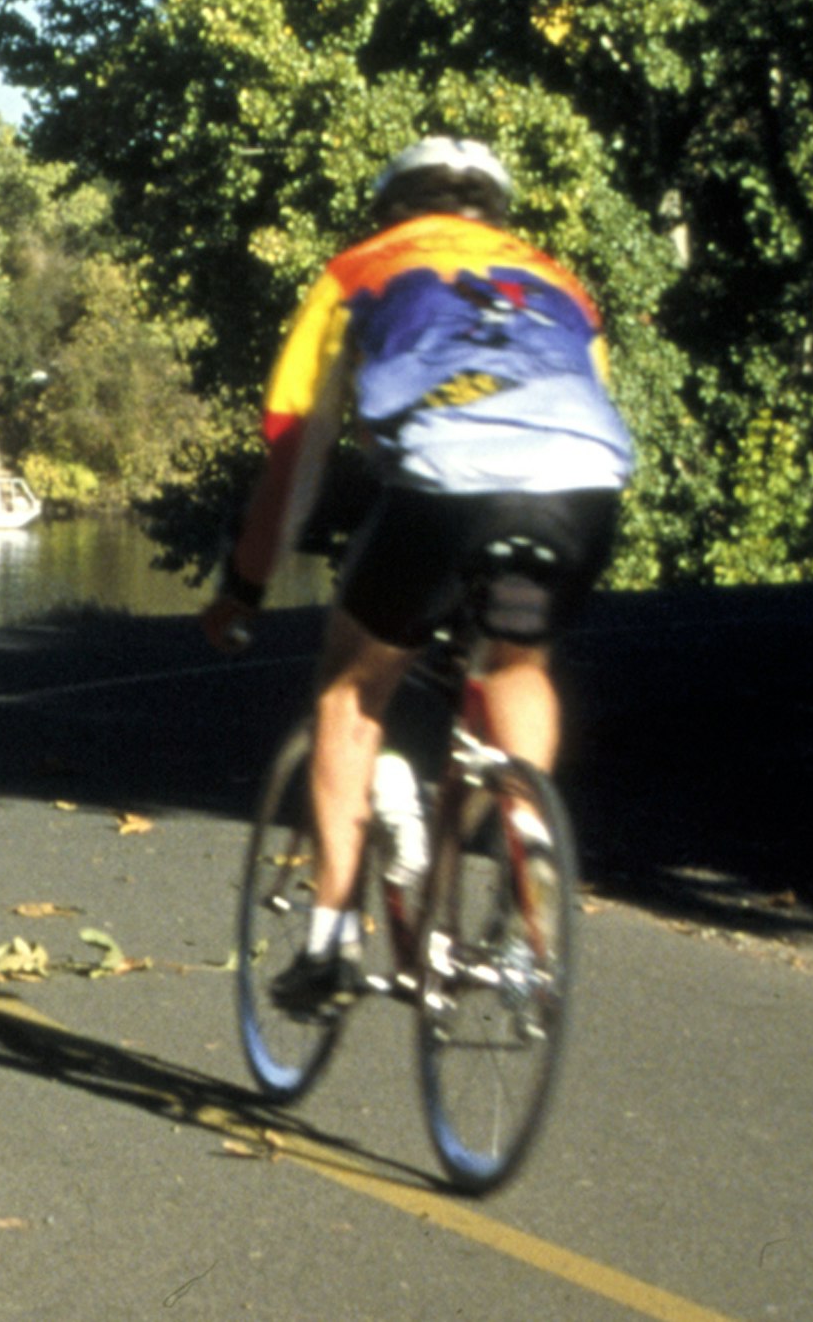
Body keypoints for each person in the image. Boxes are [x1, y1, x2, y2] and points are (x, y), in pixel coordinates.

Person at [197, 136, 634, 1015]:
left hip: (444, 488)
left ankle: (327, 941)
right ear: (496, 213)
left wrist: (244, 587)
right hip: (577, 485)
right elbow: (582, 408)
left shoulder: (360, 268)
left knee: (352, 690)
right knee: (516, 661)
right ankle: (530, 876)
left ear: (393, 205)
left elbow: (293, 448)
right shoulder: (558, 281)